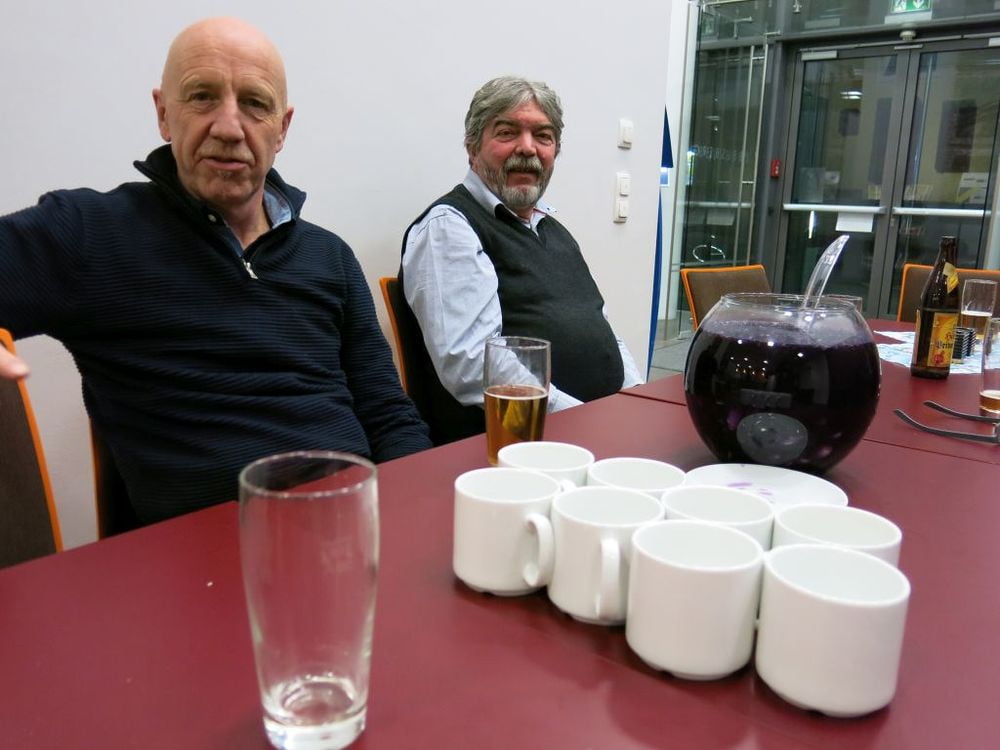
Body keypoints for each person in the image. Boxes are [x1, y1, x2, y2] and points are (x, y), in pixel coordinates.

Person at [0, 17, 430, 525]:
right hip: (203, 553)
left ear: (282, 129)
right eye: (202, 97)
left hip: (350, 528)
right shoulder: (89, 233)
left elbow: (387, 415)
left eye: (254, 103)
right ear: (164, 115)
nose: (228, 128)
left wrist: (417, 513)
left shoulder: (329, 256)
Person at [400, 76, 643, 444]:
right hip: (516, 445)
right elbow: (472, 365)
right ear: (472, 146)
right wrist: (584, 420)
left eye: (543, 136)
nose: (527, 148)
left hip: (596, 432)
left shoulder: (554, 230)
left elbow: (604, 331)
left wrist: (636, 399)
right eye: (507, 132)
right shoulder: (449, 227)